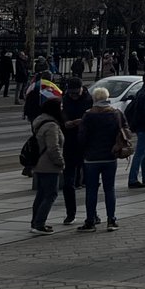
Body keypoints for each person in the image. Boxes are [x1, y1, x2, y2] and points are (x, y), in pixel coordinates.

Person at [77, 86, 128, 232]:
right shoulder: (116, 113)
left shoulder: (88, 115)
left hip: (91, 159)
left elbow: (81, 137)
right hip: (110, 157)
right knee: (109, 189)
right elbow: (125, 129)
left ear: (94, 99)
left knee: (91, 191)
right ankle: (111, 220)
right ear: (107, 98)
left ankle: (90, 221)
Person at [29, 97, 66, 234]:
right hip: (49, 165)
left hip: (39, 163)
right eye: (60, 107)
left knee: (41, 194)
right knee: (51, 194)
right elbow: (53, 148)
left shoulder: (40, 121)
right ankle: (39, 224)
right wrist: (61, 162)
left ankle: (35, 222)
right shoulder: (51, 126)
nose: (62, 109)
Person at [60, 77, 92, 225]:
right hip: (69, 145)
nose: (73, 96)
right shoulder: (64, 99)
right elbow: (61, 115)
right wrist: (65, 122)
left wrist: (83, 121)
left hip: (86, 146)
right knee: (68, 183)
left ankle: (92, 215)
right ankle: (70, 213)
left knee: (90, 182)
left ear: (81, 89)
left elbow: (93, 118)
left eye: (75, 93)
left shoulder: (89, 99)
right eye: (70, 93)